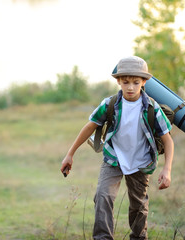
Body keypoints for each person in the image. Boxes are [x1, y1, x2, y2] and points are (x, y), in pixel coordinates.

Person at [60, 56, 174, 240]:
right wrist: (69, 154)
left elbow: (168, 140)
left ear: (144, 82)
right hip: (113, 158)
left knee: (138, 206)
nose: (130, 87)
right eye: (126, 82)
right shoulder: (109, 104)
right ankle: (102, 238)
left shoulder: (152, 108)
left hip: (141, 161)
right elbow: (89, 126)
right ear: (118, 81)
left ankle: (138, 238)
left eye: (136, 82)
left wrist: (167, 169)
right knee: (103, 196)